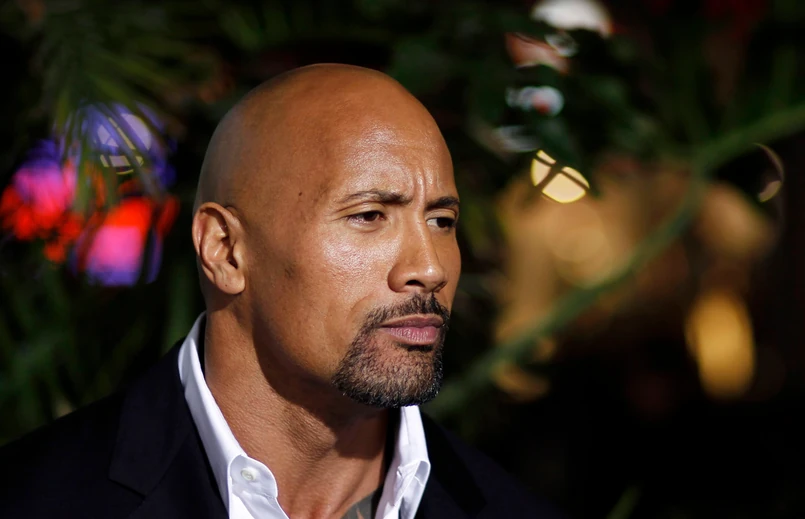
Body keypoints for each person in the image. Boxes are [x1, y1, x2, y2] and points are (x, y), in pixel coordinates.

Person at [0, 64, 561, 519]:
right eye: (369, 215)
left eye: (441, 221)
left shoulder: (510, 509)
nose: (430, 268)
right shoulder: (36, 500)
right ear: (225, 249)